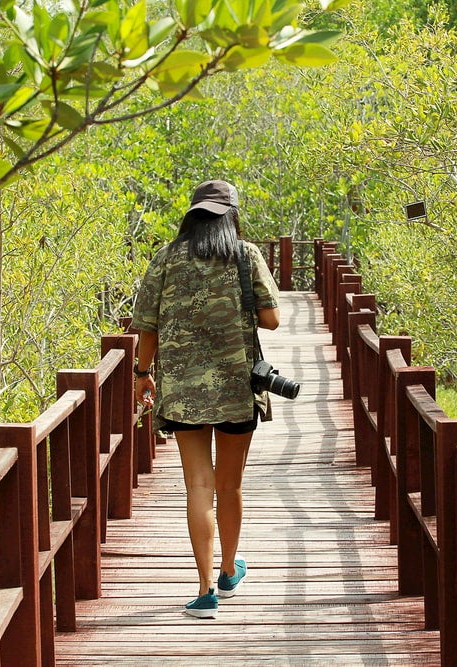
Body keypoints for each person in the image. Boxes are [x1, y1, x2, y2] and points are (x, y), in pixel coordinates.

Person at [130, 180, 280, 619]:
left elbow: (147, 327)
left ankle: (204, 589)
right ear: (231, 214)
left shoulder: (165, 257)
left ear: (192, 214)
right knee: (230, 485)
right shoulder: (244, 254)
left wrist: (143, 373)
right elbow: (271, 320)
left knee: (199, 486)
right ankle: (230, 571)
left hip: (181, 392)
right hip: (237, 389)